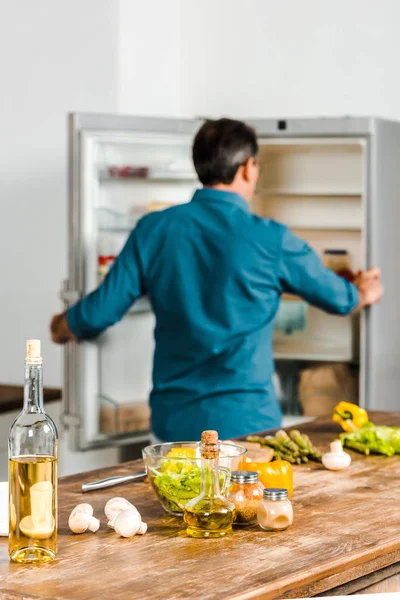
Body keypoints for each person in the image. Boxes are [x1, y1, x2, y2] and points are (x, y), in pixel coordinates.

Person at [50, 118, 383, 442]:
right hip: (248, 425)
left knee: (176, 499)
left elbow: (99, 312)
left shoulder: (154, 229)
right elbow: (339, 299)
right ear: (248, 167)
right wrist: (362, 292)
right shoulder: (270, 238)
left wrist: (62, 325)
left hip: (175, 426)